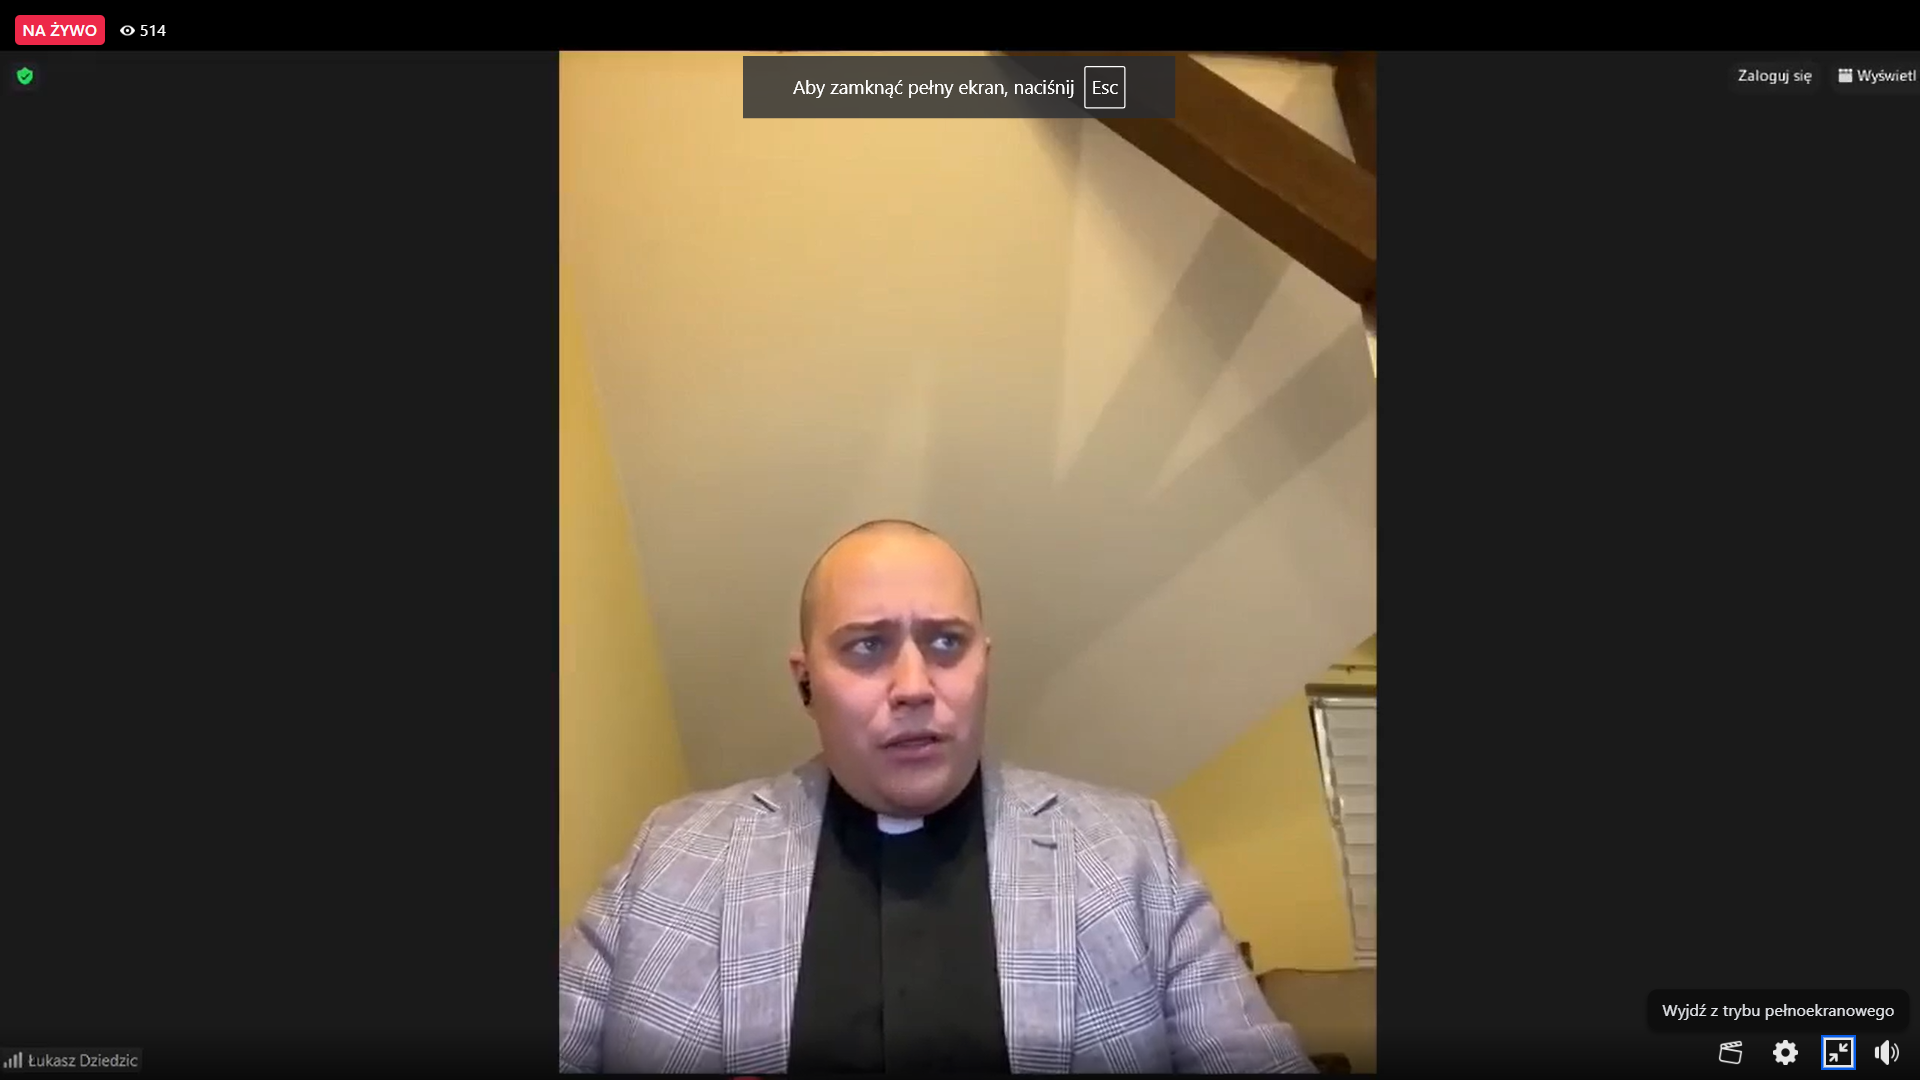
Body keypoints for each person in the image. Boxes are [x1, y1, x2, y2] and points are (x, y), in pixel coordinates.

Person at [559, 519, 1315, 1073]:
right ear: (805, 681)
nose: (915, 686)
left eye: (947, 642)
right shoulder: (672, 853)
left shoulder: (1131, 851)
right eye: (867, 646)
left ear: (985, 664)